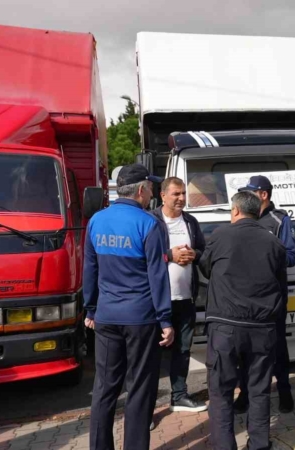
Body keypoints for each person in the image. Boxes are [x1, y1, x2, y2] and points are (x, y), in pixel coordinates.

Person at [83, 164, 174, 450]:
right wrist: (165, 319)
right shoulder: (149, 224)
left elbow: (90, 269)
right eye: (151, 188)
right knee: (139, 388)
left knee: (104, 387)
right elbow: (157, 275)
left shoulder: (96, 221)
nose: (152, 193)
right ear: (141, 190)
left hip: (106, 316)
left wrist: (90, 309)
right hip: (140, 318)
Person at [199, 191, 287, 450]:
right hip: (263, 327)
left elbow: (205, 267)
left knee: (221, 392)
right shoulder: (273, 242)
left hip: (225, 326)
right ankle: (259, 445)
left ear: (235, 210)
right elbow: (280, 283)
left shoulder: (221, 235)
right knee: (259, 390)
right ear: (258, 212)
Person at [234, 175, 295, 413]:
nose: (247, 196)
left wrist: (264, 254)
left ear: (263, 194)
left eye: (251, 192)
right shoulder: (242, 217)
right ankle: (245, 394)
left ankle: (284, 392)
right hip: (245, 296)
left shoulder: (279, 220)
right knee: (245, 349)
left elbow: (291, 257)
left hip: (272, 296)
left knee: (278, 347)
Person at [150, 177, 207, 413]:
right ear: (163, 195)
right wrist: (169, 256)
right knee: (152, 354)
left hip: (185, 299)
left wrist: (195, 254)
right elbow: (142, 256)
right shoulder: (151, 221)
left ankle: (179, 395)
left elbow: (203, 251)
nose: (181, 198)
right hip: (156, 301)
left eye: (183, 193)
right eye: (176, 194)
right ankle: (147, 407)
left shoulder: (191, 222)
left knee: (183, 349)